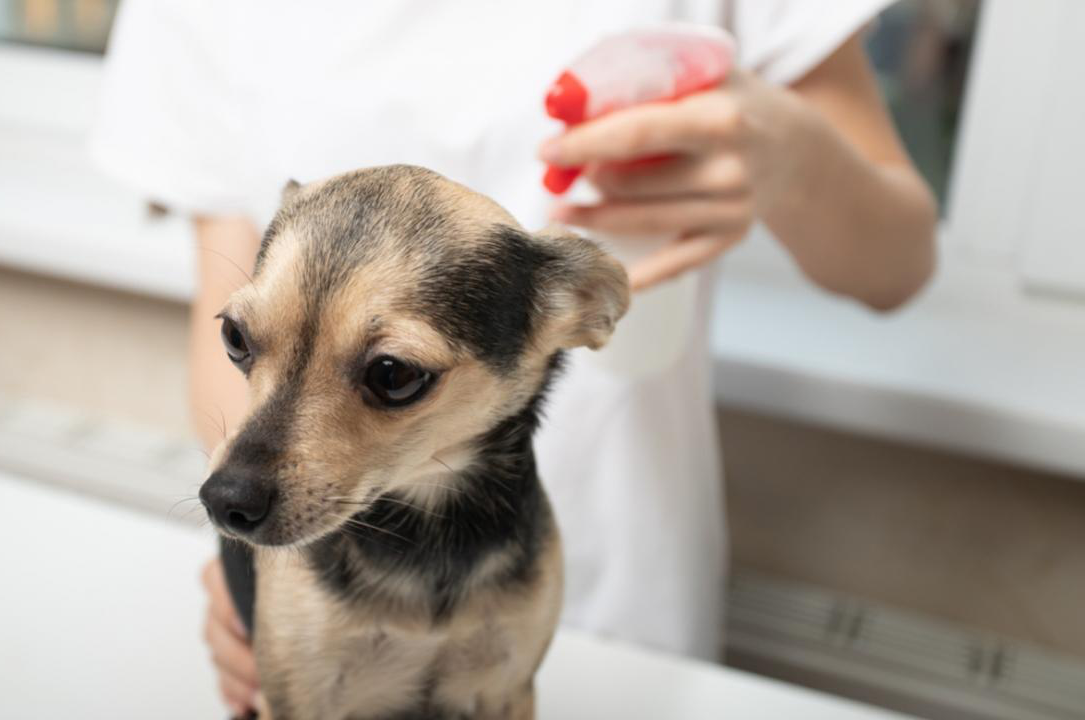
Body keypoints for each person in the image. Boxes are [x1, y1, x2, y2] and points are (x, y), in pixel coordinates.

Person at [92, 0, 936, 715]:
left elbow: (898, 266)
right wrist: (247, 563)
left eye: (390, 375)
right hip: (324, 567)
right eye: (250, 341)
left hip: (618, 578)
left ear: (578, 310)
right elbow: (226, 288)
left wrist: (795, 157)